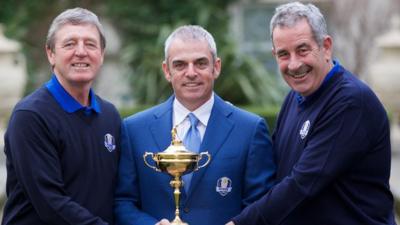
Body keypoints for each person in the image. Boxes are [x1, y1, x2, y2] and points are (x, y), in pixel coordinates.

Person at [227, 2, 396, 225]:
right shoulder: (295, 97)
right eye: (283, 54)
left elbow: (301, 184)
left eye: (302, 50)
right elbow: (273, 170)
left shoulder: (349, 102)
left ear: (326, 46)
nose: (294, 64)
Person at [114, 25, 276, 225]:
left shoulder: (250, 129)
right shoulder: (134, 129)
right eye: (180, 65)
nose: (191, 73)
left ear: (216, 67)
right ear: (167, 70)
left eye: (200, 63)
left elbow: (263, 204)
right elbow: (123, 202)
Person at [1, 7, 121, 225]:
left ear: (101, 55)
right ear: (51, 54)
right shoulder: (31, 117)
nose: (81, 51)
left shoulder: (110, 116)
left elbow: (120, 193)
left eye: (90, 44)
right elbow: (51, 204)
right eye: (70, 44)